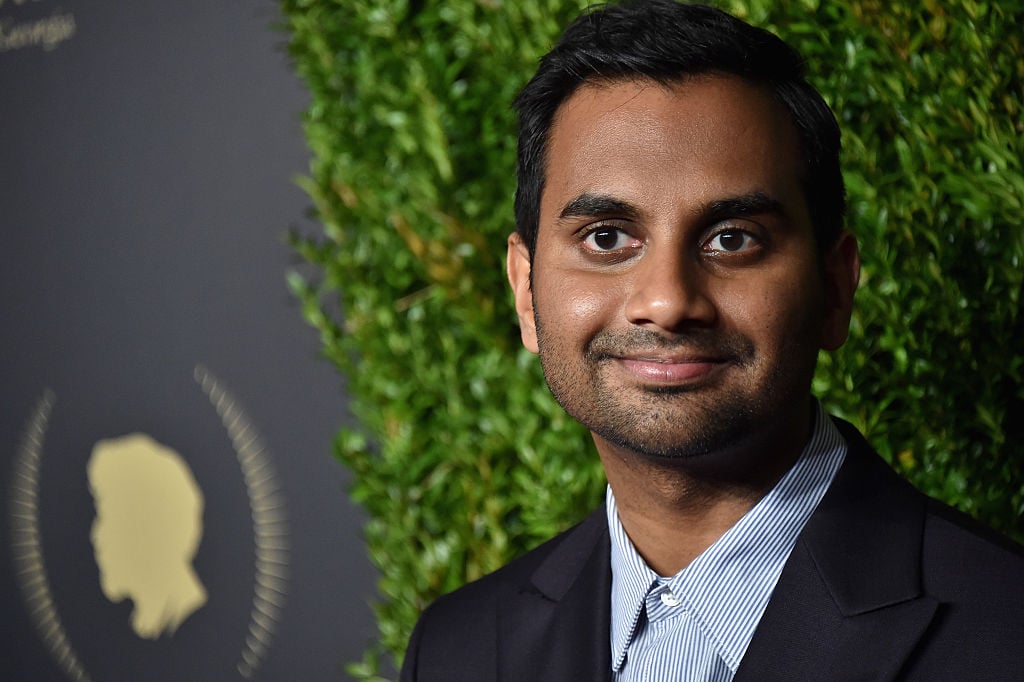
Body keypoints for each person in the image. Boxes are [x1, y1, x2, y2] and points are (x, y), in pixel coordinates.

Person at [400, 2, 1024, 680]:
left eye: (732, 239)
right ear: (526, 290)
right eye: (607, 237)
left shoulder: (1005, 628)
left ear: (835, 287)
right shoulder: (456, 650)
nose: (667, 301)